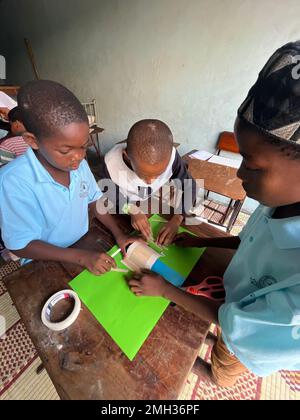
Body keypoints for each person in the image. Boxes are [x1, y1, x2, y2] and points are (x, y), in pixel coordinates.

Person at [129, 41, 300, 387]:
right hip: (232, 298)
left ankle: (205, 372)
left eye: (252, 164)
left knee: (224, 365)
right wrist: (196, 240)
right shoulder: (277, 203)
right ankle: (207, 340)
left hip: (244, 341)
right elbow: (246, 241)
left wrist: (164, 289)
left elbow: (238, 325)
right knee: (216, 326)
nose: (239, 175)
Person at [0, 80, 137, 274]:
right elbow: (20, 245)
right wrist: (80, 257)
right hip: (44, 262)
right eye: (66, 150)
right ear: (32, 140)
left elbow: (94, 199)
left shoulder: (75, 162)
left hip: (83, 243)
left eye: (83, 146)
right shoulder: (12, 181)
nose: (80, 157)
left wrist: (119, 234)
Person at [99, 119, 198, 246]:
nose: (151, 181)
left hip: (147, 201)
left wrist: (177, 218)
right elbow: (112, 196)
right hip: (122, 206)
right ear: (127, 156)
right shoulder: (110, 164)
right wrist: (131, 209)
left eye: (160, 174)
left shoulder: (171, 157)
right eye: (143, 175)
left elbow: (191, 186)